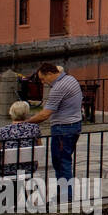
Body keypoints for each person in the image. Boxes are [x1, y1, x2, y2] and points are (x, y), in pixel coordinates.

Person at [26, 62, 82, 191]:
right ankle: (63, 193)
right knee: (64, 160)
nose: (43, 82)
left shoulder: (58, 88)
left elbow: (44, 115)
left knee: (61, 163)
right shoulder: (70, 79)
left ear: (50, 74)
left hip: (63, 129)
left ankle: (65, 195)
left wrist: (26, 122)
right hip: (75, 125)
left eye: (43, 78)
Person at [0, 100, 43, 176]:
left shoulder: (3, 131)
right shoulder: (34, 128)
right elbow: (39, 147)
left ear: (11, 113)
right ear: (26, 113)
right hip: (29, 168)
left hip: (7, 169)